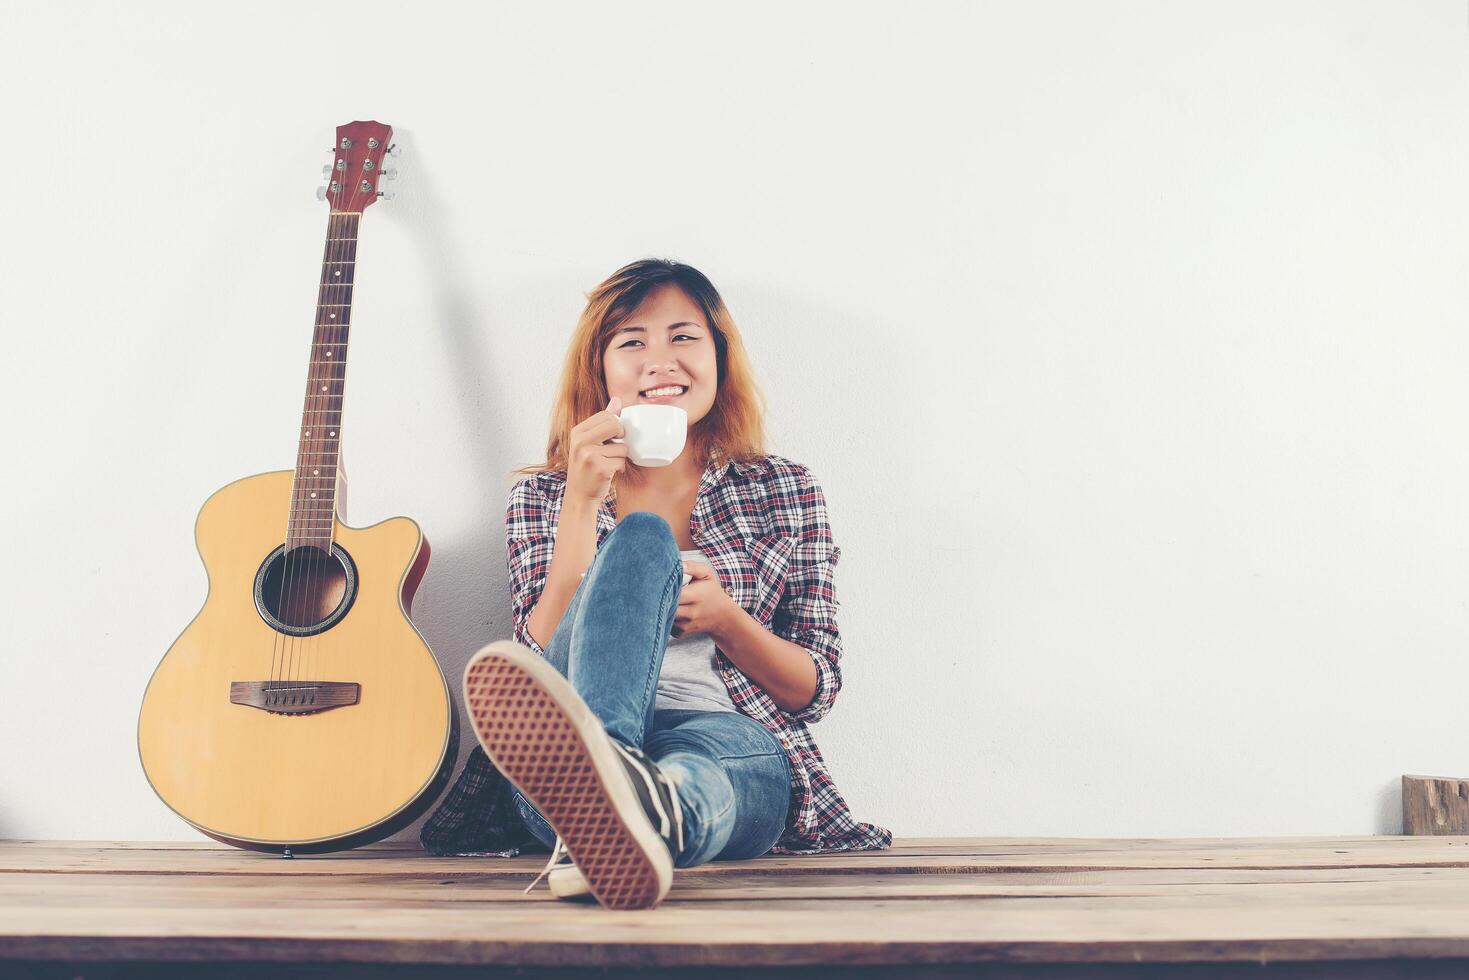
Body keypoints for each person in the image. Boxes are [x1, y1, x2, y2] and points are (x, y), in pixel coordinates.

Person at [428, 258, 890, 910]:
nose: (659, 359)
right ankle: (612, 780)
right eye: (631, 341)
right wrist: (582, 505)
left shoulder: (783, 488)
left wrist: (727, 621)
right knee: (641, 539)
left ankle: (631, 809)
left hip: (721, 730)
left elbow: (814, 690)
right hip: (572, 738)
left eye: (682, 336)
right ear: (602, 368)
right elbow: (534, 661)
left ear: (718, 357)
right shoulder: (544, 494)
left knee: (704, 778)